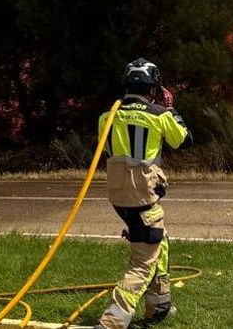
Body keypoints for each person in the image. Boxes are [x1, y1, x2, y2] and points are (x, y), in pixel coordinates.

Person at [95, 58, 191, 329]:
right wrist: (172, 110)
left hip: (119, 198)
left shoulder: (107, 117)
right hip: (143, 196)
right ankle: (113, 320)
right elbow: (184, 140)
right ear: (153, 88)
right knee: (142, 263)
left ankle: (159, 305)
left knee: (159, 241)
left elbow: (108, 150)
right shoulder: (159, 114)